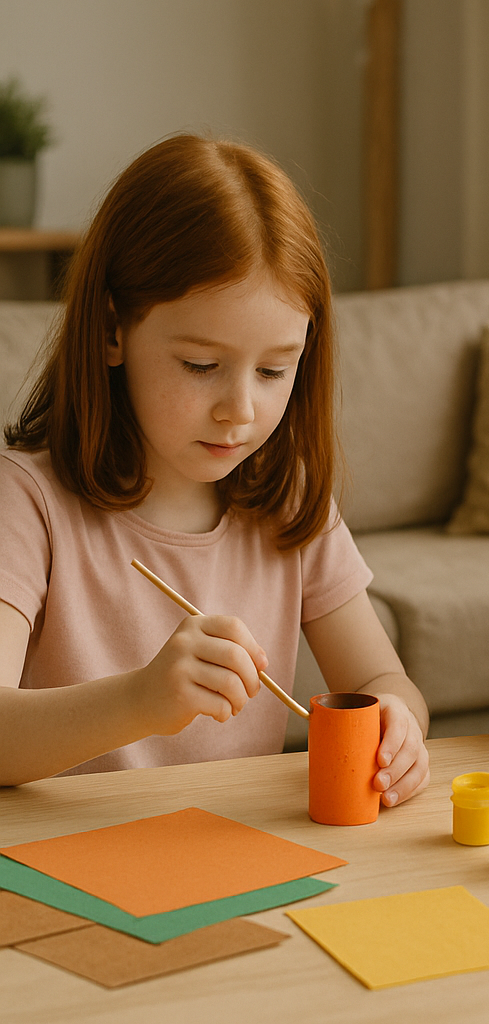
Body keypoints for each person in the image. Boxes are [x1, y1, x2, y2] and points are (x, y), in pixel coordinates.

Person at [0, 134, 430, 803]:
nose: (240, 409)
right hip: (63, 858)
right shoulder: (26, 501)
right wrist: (140, 701)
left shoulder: (288, 501)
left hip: (234, 850)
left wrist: (398, 724)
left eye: (274, 370)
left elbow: (383, 682)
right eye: (201, 365)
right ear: (112, 330)